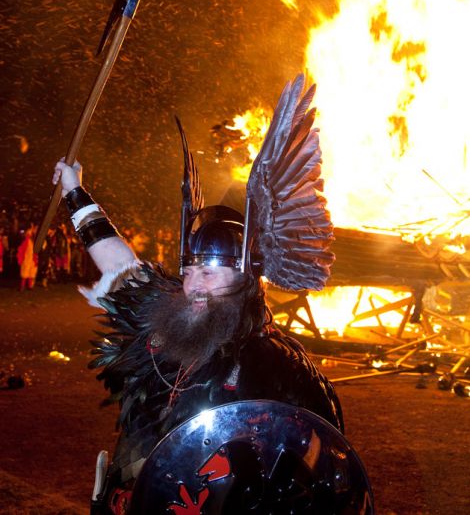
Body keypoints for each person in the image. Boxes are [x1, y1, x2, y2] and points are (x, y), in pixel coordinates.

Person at [53, 75, 344, 514]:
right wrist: (75, 192)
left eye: (213, 271)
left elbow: (319, 465)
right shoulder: (170, 319)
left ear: (246, 277)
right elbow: (121, 267)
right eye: (190, 269)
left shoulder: (275, 364)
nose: (195, 284)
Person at [16, 225, 38, 291]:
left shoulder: (34, 240)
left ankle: (30, 286)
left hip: (32, 258)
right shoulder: (26, 240)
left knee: (32, 272)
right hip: (26, 258)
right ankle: (22, 286)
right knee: (25, 272)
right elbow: (21, 249)